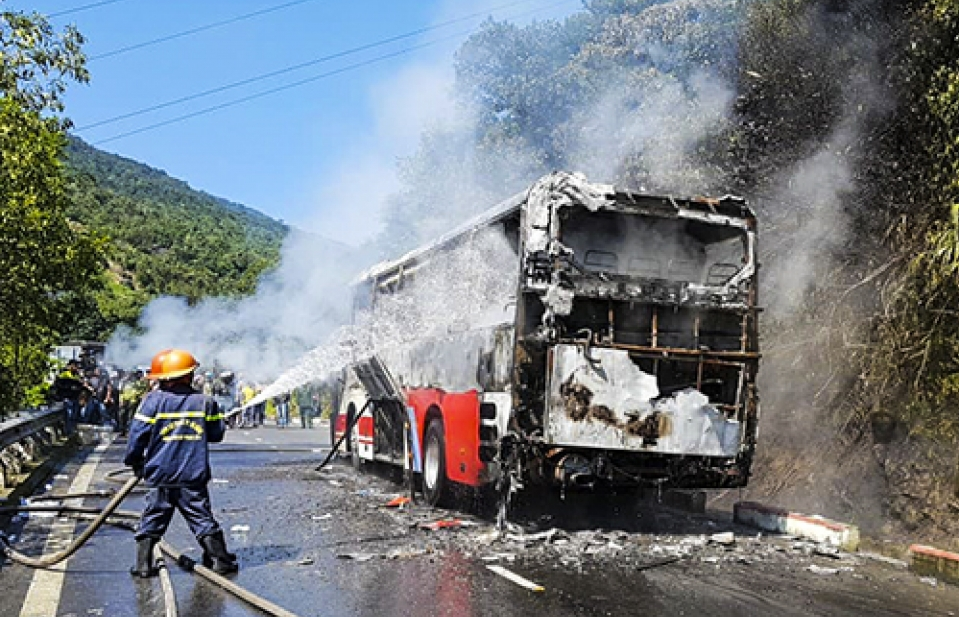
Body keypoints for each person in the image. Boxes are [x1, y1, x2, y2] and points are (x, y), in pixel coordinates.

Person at [124, 348, 238, 577]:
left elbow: (137, 436)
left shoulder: (152, 402)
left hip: (160, 474)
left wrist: (135, 461)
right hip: (191, 475)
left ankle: (143, 565)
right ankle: (220, 561)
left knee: (153, 517)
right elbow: (216, 435)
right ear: (188, 375)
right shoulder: (205, 402)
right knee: (201, 517)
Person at [119, 370, 149, 437]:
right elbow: (121, 392)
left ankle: (128, 431)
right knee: (122, 416)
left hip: (134, 401)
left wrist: (139, 396)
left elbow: (144, 392)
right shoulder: (125, 382)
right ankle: (122, 430)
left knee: (131, 417)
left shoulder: (141, 383)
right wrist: (121, 400)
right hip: (125, 401)